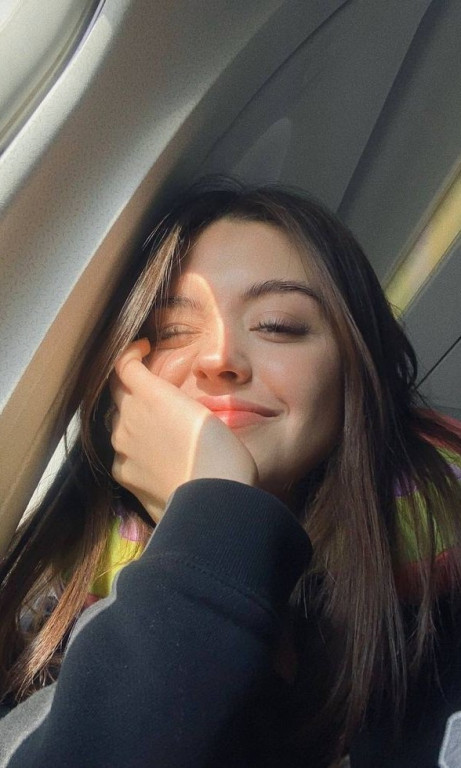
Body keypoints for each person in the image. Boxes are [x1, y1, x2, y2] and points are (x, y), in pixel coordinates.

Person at [0, 178, 460, 767]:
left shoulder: (444, 595)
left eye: (278, 325)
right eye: (172, 331)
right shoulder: (45, 611)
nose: (219, 359)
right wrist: (212, 520)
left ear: (357, 370)